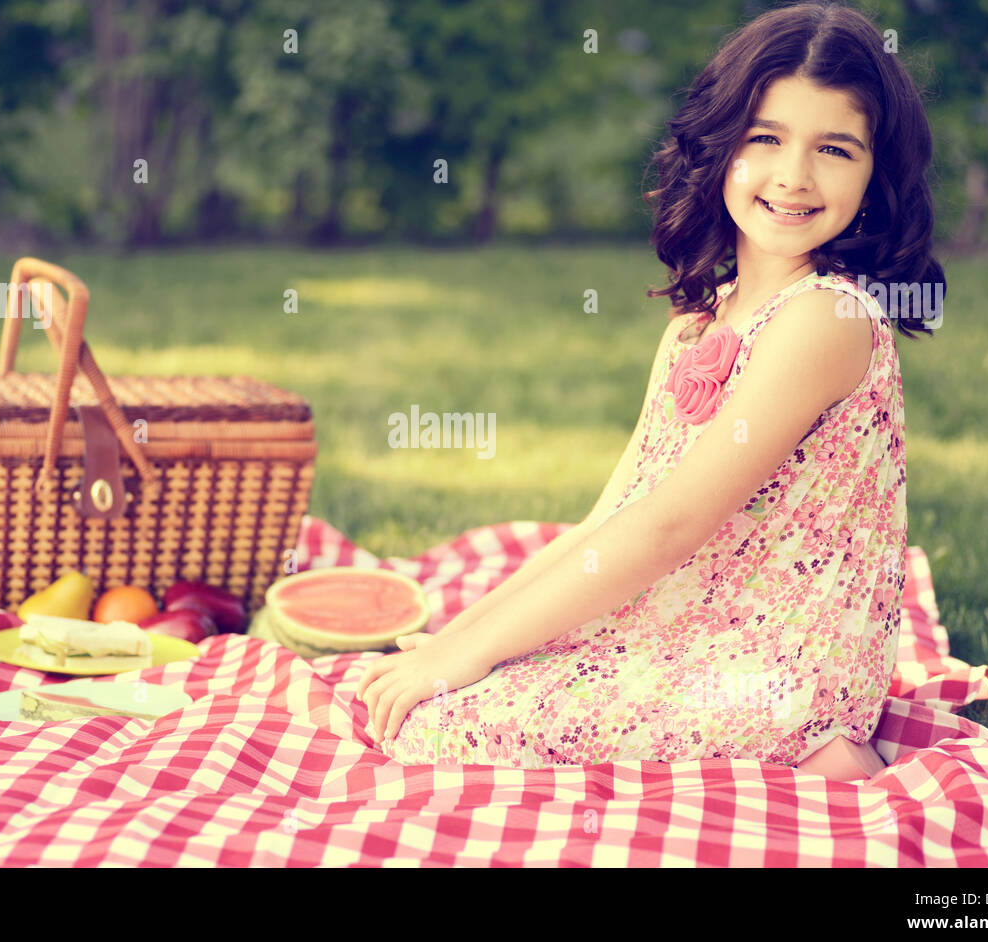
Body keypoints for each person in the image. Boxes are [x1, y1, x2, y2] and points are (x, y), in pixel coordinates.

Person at [356, 1, 945, 770]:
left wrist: (460, 663)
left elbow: (667, 527)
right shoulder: (697, 326)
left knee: (443, 729)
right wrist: (462, 638)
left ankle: (824, 751)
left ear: (874, 175)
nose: (794, 176)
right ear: (721, 144)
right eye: (765, 137)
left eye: (835, 148)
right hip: (692, 622)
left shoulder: (825, 320)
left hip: (780, 669)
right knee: (449, 689)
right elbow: (611, 521)